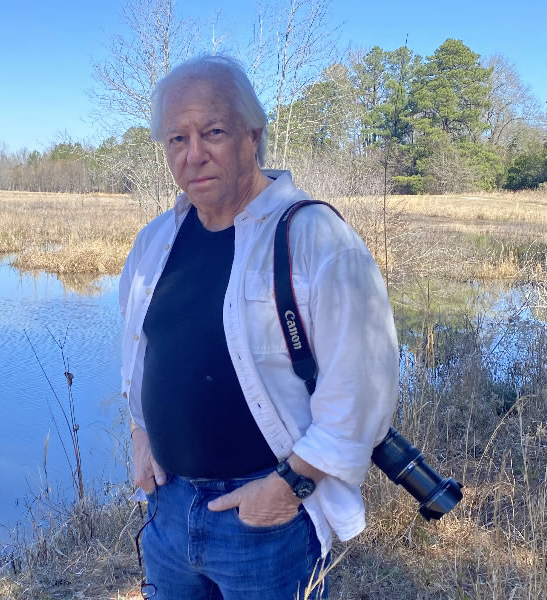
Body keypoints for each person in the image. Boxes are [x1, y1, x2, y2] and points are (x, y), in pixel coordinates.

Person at [119, 54, 398, 600]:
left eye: (212, 132)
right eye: (177, 139)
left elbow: (364, 390)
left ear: (253, 134)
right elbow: (138, 351)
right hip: (169, 510)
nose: (193, 154)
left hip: (265, 525)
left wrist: (289, 486)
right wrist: (139, 435)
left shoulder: (315, 237)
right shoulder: (156, 242)